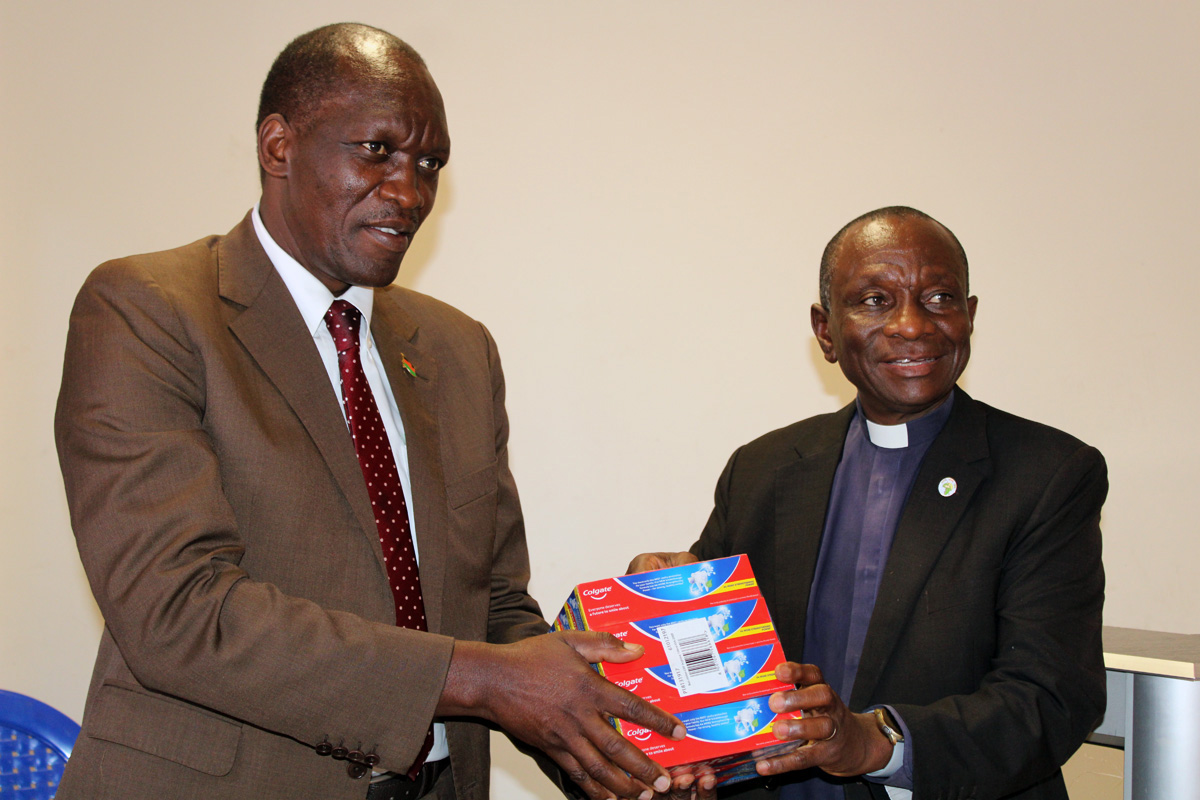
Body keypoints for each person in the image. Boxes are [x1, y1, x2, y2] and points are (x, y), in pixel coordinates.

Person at [54, 23, 683, 800]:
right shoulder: (148, 309)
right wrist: (486, 681)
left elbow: (488, 603)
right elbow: (179, 610)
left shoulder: (459, 348)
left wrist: (615, 738)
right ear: (278, 146)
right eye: (377, 151)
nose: (410, 191)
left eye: (430, 163)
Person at [632, 207, 1106, 800]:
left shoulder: (1047, 473)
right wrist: (665, 606)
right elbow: (716, 670)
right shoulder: (763, 468)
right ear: (825, 330)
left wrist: (876, 742)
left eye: (938, 298)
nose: (913, 325)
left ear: (970, 316)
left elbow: (1052, 697)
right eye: (875, 300)